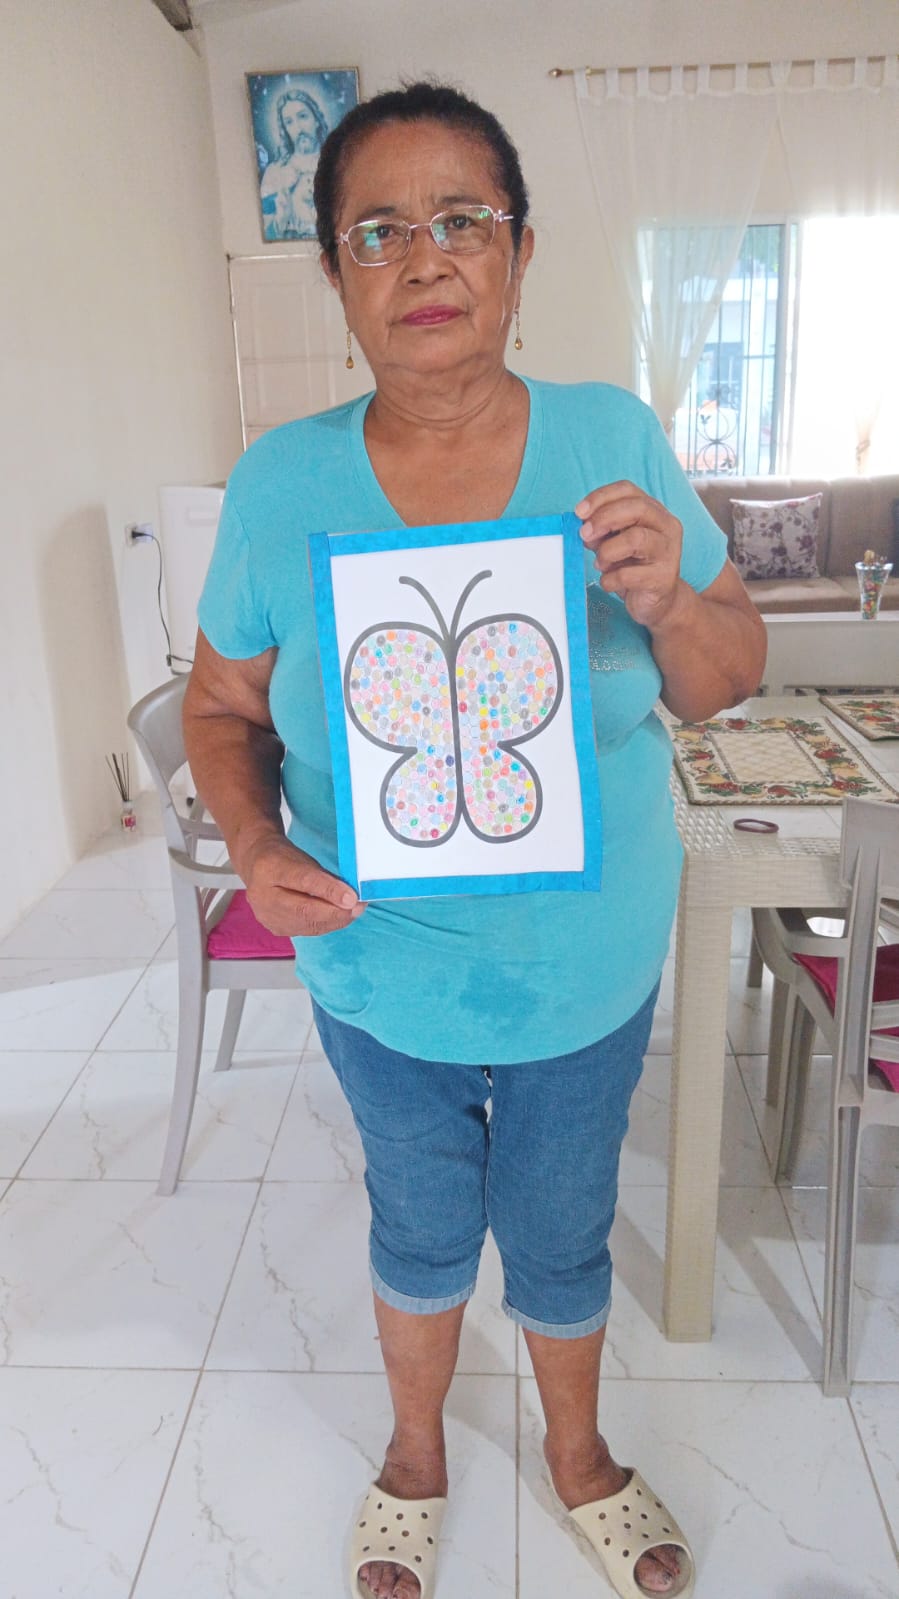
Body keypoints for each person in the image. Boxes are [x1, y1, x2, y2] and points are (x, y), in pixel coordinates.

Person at [185, 81, 766, 1599]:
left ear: (518, 251)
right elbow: (219, 704)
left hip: (585, 966)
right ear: (335, 272)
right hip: (380, 969)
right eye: (378, 230)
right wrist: (250, 841)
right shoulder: (281, 481)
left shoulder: (608, 438)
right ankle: (414, 1454)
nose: (424, 256)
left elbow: (724, 676)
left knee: (562, 1225)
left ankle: (577, 1455)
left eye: (462, 219)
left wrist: (672, 600)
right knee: (420, 1218)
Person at [259, 87, 329, 240]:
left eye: (303, 116)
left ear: (316, 120)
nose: (298, 128)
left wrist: (373, 247)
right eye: (289, 122)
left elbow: (368, 227)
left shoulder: (339, 165)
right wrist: (281, 218)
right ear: (285, 129)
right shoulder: (275, 172)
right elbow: (266, 233)